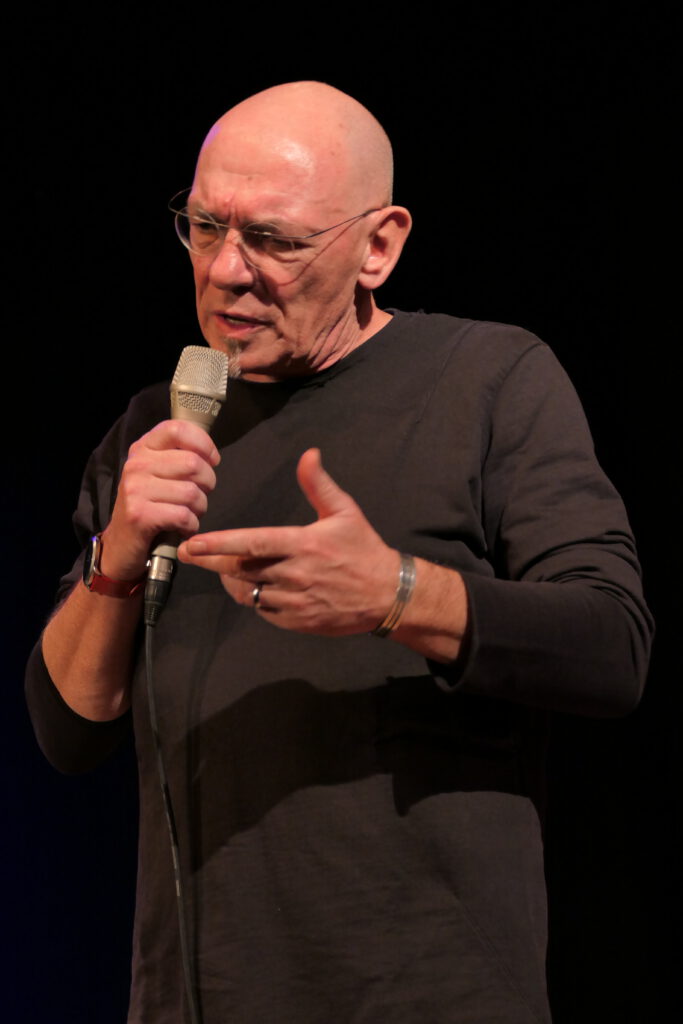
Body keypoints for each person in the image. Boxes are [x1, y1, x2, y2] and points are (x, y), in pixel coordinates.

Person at [26, 81, 653, 1023]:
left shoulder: (487, 381)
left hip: (428, 998)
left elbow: (612, 646)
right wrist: (115, 553)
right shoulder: (156, 429)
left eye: (273, 240)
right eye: (205, 227)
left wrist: (396, 593)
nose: (226, 269)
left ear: (378, 246)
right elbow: (69, 733)